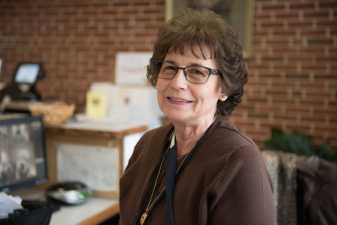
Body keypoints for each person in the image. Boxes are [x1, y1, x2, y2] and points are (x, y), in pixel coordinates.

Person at [119, 9, 275, 225]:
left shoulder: (239, 161)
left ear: (224, 88)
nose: (177, 83)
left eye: (197, 72)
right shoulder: (147, 144)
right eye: (170, 67)